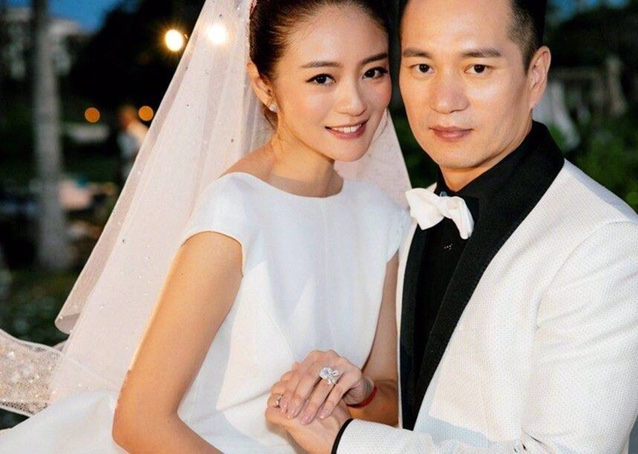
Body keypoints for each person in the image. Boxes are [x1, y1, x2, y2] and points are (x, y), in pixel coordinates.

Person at [0, 0, 410, 452]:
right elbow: (139, 420)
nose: (355, 102)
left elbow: (389, 402)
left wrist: (360, 392)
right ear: (264, 85)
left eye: (373, 72)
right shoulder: (237, 212)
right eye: (322, 78)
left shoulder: (382, 218)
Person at [266, 0, 638, 452]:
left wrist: (347, 441)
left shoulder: (606, 246)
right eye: (422, 67)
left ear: (535, 75)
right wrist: (367, 399)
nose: (444, 101)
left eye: (477, 68)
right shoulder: (419, 215)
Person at [115, 104, 148, 185]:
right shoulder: (122, 134)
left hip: (140, 172)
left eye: (124, 118)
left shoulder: (139, 131)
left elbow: (142, 151)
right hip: (128, 172)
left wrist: (127, 160)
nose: (121, 121)